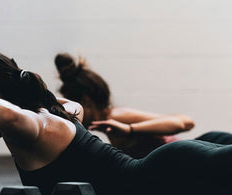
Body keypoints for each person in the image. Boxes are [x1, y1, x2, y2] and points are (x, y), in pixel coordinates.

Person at [0, 50, 232, 195]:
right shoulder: (62, 111)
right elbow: (14, 107)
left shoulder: (34, 126)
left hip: (172, 181)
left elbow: (7, 114)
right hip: (173, 184)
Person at [55, 53, 232, 158]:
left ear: (85, 101)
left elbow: (184, 122)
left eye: (71, 105)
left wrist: (130, 129)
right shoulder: (109, 126)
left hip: (207, 148)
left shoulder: (116, 117)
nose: (69, 112)